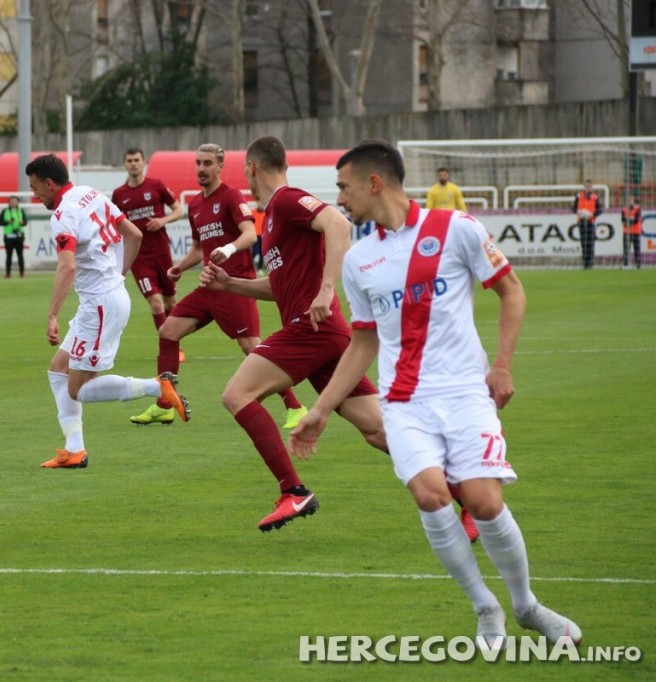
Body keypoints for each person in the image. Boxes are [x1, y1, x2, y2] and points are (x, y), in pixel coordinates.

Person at [289, 138, 581, 648]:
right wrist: (319, 409)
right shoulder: (361, 260)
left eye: (344, 187)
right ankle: (484, 606)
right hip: (404, 402)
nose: (340, 198)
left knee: (486, 503)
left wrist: (503, 366)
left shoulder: (456, 230)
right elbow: (363, 339)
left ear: (374, 183)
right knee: (431, 495)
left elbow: (511, 290)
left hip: (467, 393)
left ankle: (526, 605)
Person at [197, 136, 386, 532]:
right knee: (376, 430)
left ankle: (293, 491)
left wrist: (327, 288)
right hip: (323, 334)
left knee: (236, 394)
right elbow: (280, 287)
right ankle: (463, 486)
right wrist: (230, 285)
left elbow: (338, 223)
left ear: (251, 167)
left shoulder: (285, 200)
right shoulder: (272, 220)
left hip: (311, 329)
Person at [25, 153, 189, 469]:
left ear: (49, 183)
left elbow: (67, 265)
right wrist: (119, 274)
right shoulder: (90, 193)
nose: (35, 195)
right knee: (58, 369)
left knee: (80, 389)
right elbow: (135, 234)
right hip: (107, 298)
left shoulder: (63, 213)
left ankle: (158, 387)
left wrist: (52, 315)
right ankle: (74, 450)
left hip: (100, 306)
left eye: (36, 188)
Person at [130, 143, 308, 431]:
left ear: (220, 167)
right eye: (198, 163)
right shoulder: (196, 205)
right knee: (168, 331)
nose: (201, 169)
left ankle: (295, 407)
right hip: (208, 288)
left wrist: (228, 249)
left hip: (236, 287)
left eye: (207, 164)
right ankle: (165, 404)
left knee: (252, 347)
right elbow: (200, 249)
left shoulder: (231, 196)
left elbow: (250, 234)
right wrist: (180, 267)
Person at [111, 147, 186, 362]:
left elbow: (179, 210)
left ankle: (174, 342)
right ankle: (168, 348)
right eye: (129, 160)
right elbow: (115, 225)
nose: (133, 163)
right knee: (156, 302)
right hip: (139, 258)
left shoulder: (156, 186)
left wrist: (163, 221)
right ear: (125, 164)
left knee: (171, 301)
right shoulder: (119, 195)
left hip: (162, 253)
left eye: (137, 160)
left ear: (143, 163)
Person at [573, 179, 602, 270]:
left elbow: (600, 210)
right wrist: (579, 212)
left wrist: (592, 215)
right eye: (586, 186)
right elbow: (573, 208)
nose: (588, 188)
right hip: (581, 221)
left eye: (590, 186)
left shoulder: (595, 197)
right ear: (584, 187)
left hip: (591, 221)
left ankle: (591, 262)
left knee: (591, 242)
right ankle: (585, 262)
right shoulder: (579, 196)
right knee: (583, 242)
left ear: (592, 187)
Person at [0, 195, 28, 278]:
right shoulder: (5, 211)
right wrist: (7, 222)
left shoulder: (21, 211)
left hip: (19, 236)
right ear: (9, 202)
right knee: (8, 256)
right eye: (11, 201)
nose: (13, 203)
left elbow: (25, 222)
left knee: (20, 255)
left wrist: (23, 222)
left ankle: (22, 273)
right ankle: (8, 273)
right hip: (8, 237)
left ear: (18, 202)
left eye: (15, 201)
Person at [621, 200, 642, 269]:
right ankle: (625, 264)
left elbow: (636, 220)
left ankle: (638, 264)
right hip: (626, 232)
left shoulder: (638, 208)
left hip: (636, 231)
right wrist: (630, 219)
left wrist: (628, 220)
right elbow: (623, 220)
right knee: (626, 249)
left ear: (633, 201)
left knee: (637, 248)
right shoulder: (624, 209)